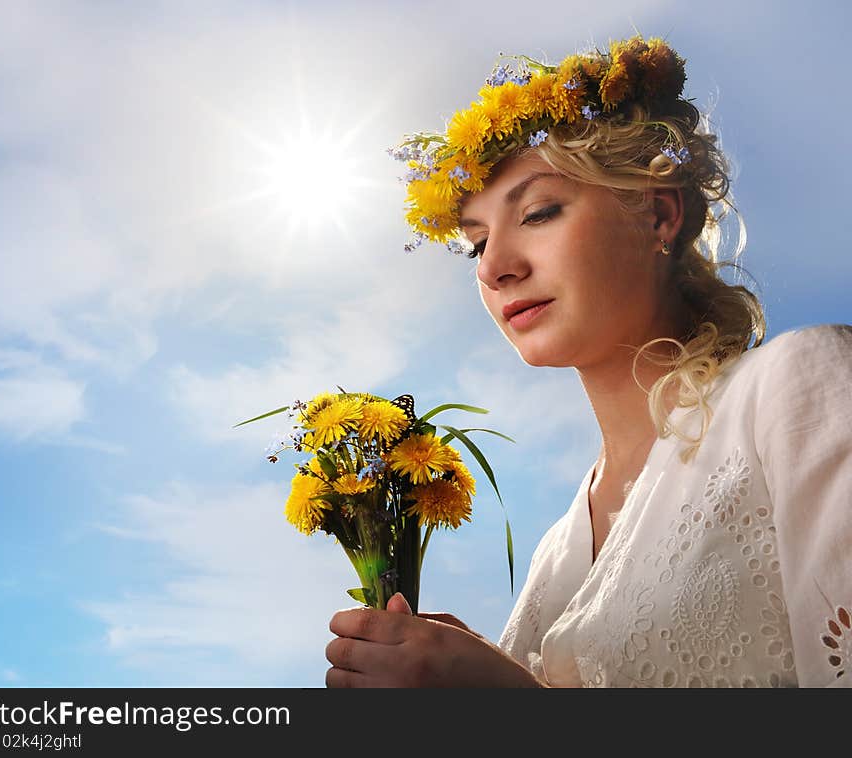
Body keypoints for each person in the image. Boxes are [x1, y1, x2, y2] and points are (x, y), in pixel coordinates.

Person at [324, 35, 852, 687]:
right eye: (475, 244)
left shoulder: (797, 389)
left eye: (539, 212)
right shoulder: (558, 550)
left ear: (659, 214)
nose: (495, 267)